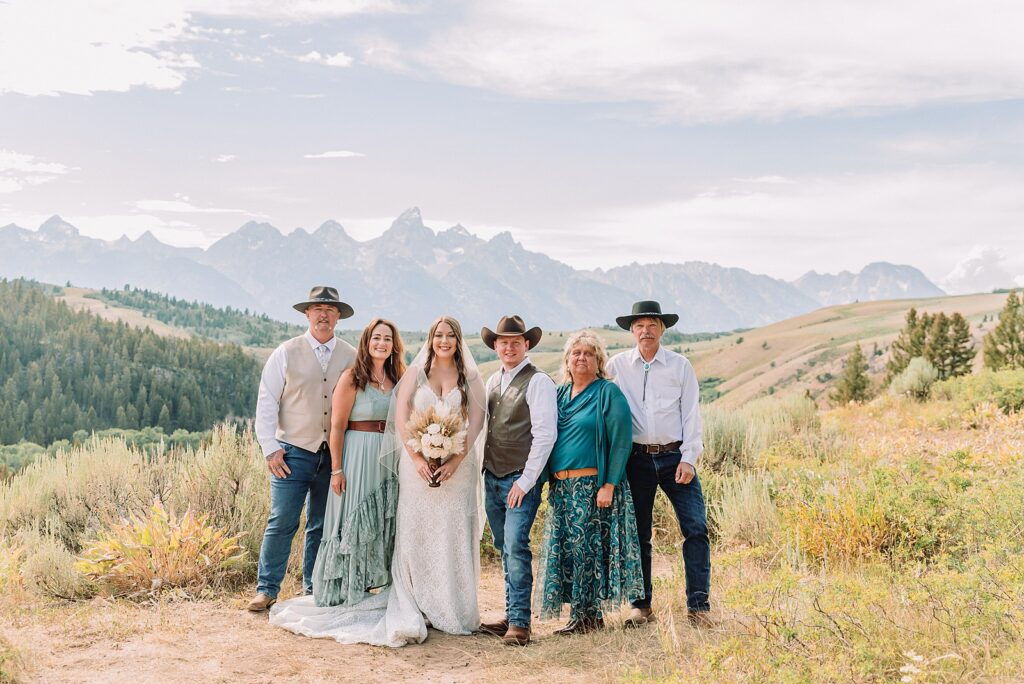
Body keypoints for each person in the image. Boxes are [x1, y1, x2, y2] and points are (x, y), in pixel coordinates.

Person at [269, 316, 487, 647]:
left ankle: (447, 603)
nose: (444, 340)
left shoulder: (427, 376)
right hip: (388, 461)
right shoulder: (377, 376)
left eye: (450, 335)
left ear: (458, 340)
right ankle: (338, 591)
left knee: (439, 534)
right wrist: (343, 468)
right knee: (371, 525)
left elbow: (473, 422)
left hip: (440, 468)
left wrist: (453, 457)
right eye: (438, 334)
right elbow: (353, 424)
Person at [247, 286, 357, 612]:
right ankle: (266, 590)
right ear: (307, 314)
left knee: (321, 525)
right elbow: (267, 401)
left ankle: (313, 587)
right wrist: (270, 448)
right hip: (292, 452)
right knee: (282, 521)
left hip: (334, 455)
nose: (323, 314)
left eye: (330, 309)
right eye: (317, 309)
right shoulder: (286, 352)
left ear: (338, 316)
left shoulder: (351, 355)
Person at [607, 300, 711, 628]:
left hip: (675, 457)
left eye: (652, 325)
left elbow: (692, 415)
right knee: (638, 535)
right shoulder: (616, 366)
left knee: (695, 528)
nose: (646, 331)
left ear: (662, 329)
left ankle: (699, 606)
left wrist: (689, 459)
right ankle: (642, 606)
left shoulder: (680, 366)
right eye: (639, 326)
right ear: (631, 331)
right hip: (635, 459)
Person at [536, 330, 644, 634]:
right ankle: (581, 617)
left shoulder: (608, 393)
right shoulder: (557, 394)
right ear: (567, 360)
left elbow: (622, 442)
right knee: (569, 551)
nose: (581, 358)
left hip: (594, 486)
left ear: (598, 361)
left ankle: (589, 617)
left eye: (588, 353)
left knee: (590, 551)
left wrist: (609, 484)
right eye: (576, 353)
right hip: (562, 487)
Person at [311, 318, 406, 607]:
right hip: (358, 453)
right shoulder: (352, 377)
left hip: (389, 456)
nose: (381, 343)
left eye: (387, 339)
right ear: (366, 342)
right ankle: (344, 589)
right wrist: (336, 469)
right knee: (354, 515)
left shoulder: (398, 377)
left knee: (381, 518)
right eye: (376, 338)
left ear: (394, 345)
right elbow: (337, 426)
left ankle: (373, 584)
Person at [478, 315, 557, 646]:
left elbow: (545, 435)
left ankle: (521, 624)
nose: (508, 347)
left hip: (519, 480)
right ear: (495, 346)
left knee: (515, 545)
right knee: (502, 547)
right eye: (503, 342)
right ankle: (511, 614)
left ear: (526, 345)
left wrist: (525, 482)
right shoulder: (491, 381)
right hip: (491, 477)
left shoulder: (538, 381)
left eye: (515, 342)